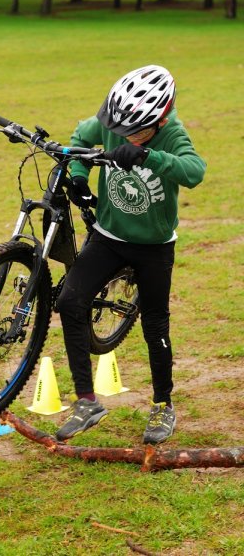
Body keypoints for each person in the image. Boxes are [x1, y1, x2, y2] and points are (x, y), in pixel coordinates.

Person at [55, 64, 206, 444]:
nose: (124, 136)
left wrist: (148, 157)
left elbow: (194, 171)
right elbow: (79, 139)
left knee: (155, 324)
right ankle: (86, 401)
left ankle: (162, 405)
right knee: (70, 302)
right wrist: (78, 174)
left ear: (161, 118)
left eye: (135, 132)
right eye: (121, 130)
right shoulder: (113, 120)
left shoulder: (171, 133)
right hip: (108, 236)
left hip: (154, 246)